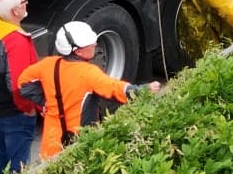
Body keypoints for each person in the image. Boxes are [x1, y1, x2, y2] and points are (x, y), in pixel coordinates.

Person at [17, 21, 162, 160]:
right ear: (78, 51)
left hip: (52, 144)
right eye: (90, 43)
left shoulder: (48, 64)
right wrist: (143, 90)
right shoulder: (89, 73)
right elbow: (114, 88)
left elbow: (23, 82)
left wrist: (45, 102)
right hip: (80, 142)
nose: (95, 43)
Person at [0, 0, 41, 174]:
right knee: (19, 166)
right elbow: (18, 82)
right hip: (15, 112)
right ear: (15, 11)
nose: (26, 4)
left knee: (2, 156)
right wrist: (28, 107)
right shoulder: (16, 41)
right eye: (24, 2)